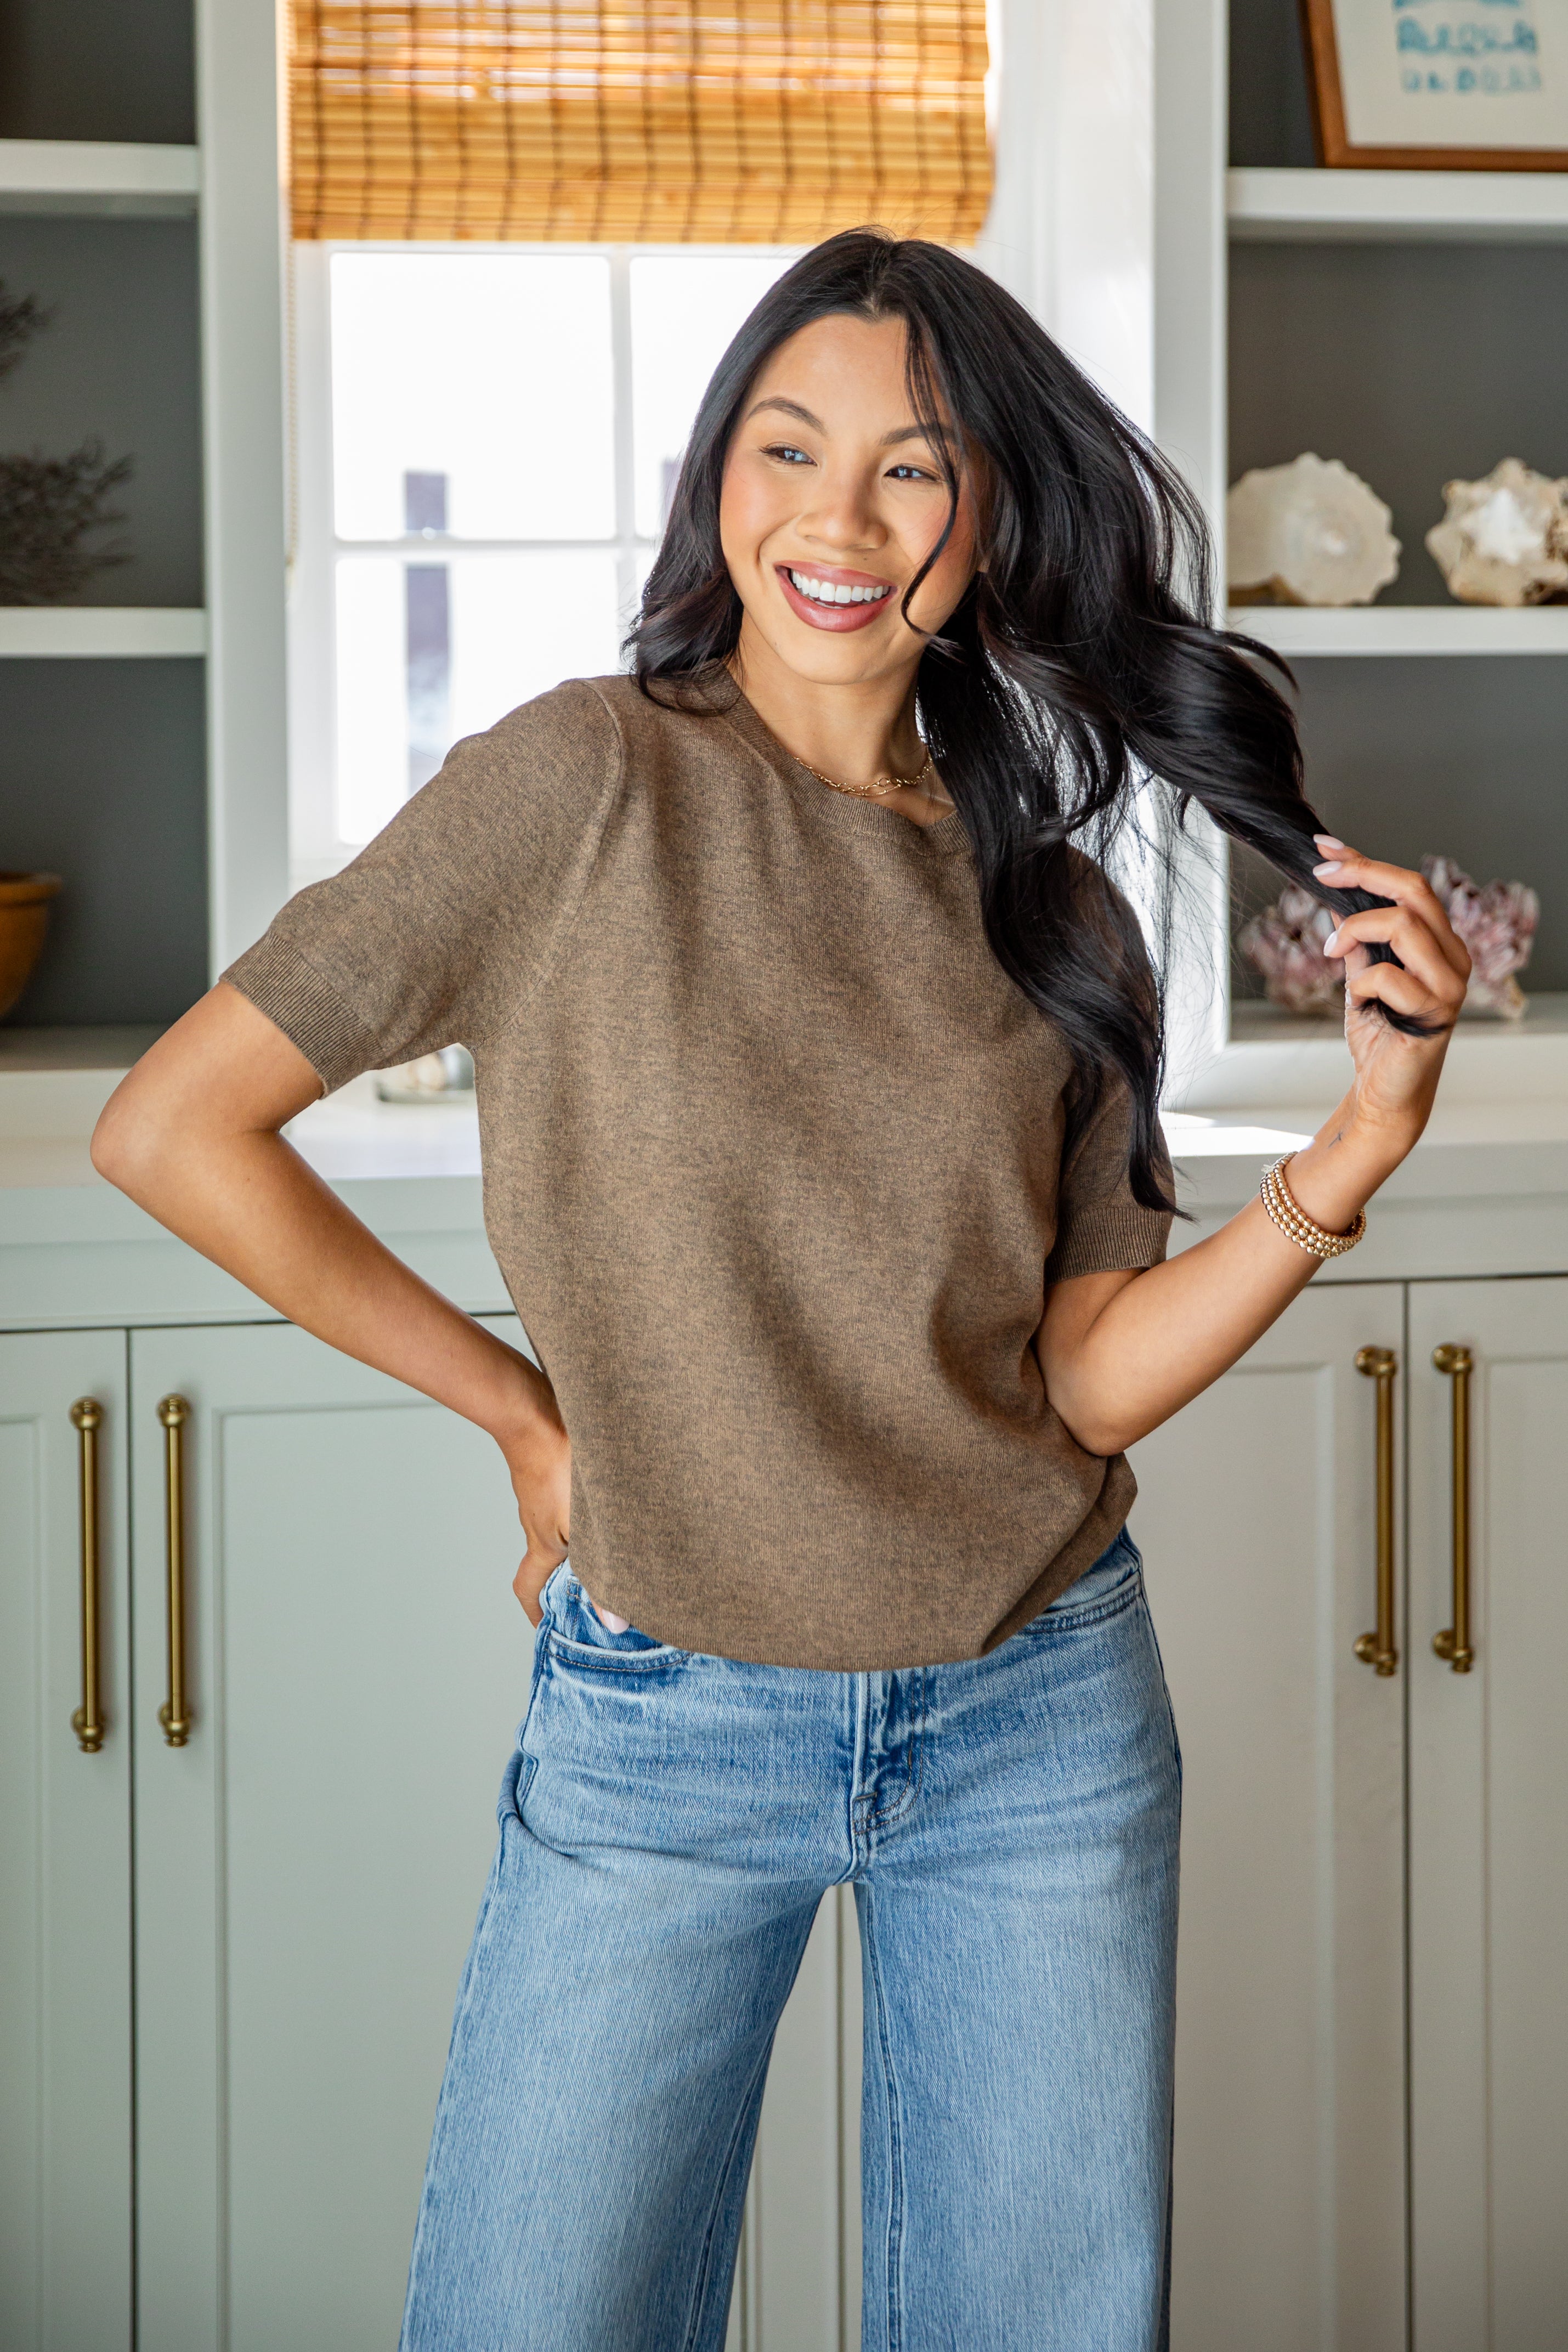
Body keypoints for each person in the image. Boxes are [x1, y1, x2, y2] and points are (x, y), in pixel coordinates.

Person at [92, 230, 1468, 2350]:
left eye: (913, 472)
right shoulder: (574, 785)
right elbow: (174, 1128)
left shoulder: (1053, 896)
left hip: (1039, 1713)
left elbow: (1083, 1386)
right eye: (784, 446)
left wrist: (1351, 1154)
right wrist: (522, 1415)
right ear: (715, 474)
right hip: (664, 1721)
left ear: (994, 518)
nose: (835, 520)